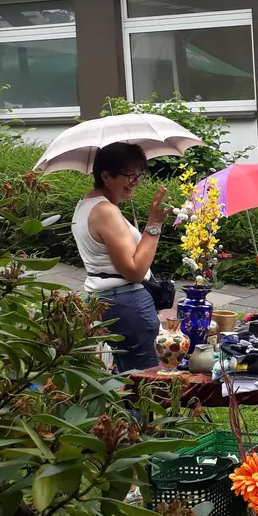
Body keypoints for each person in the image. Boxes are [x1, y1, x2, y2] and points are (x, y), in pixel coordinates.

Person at [72, 142, 169, 372]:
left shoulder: (86, 203)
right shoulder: (106, 211)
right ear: (106, 175)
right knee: (146, 384)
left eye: (139, 175)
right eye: (129, 175)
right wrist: (154, 223)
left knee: (125, 381)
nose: (135, 181)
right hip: (127, 304)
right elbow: (134, 271)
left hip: (105, 299)